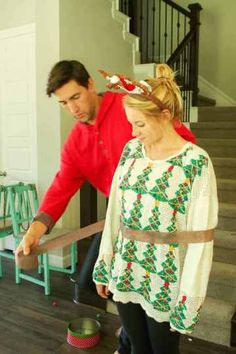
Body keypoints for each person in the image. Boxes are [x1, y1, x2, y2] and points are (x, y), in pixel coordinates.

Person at [15, 60, 196, 354]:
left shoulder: (128, 107)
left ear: (90, 85)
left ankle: (134, 337)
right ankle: (129, 337)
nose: (72, 109)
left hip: (160, 221)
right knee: (94, 282)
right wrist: (35, 230)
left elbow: (183, 139)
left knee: (157, 319)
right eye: (63, 103)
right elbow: (62, 185)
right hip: (120, 220)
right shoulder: (76, 142)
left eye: (75, 97)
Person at [93, 64, 218, 354]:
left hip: (166, 281)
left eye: (140, 124)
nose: (133, 133)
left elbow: (201, 242)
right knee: (137, 347)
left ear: (165, 117)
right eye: (130, 124)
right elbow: (115, 213)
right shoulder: (131, 152)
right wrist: (105, 265)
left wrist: (189, 297)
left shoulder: (195, 163)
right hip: (126, 270)